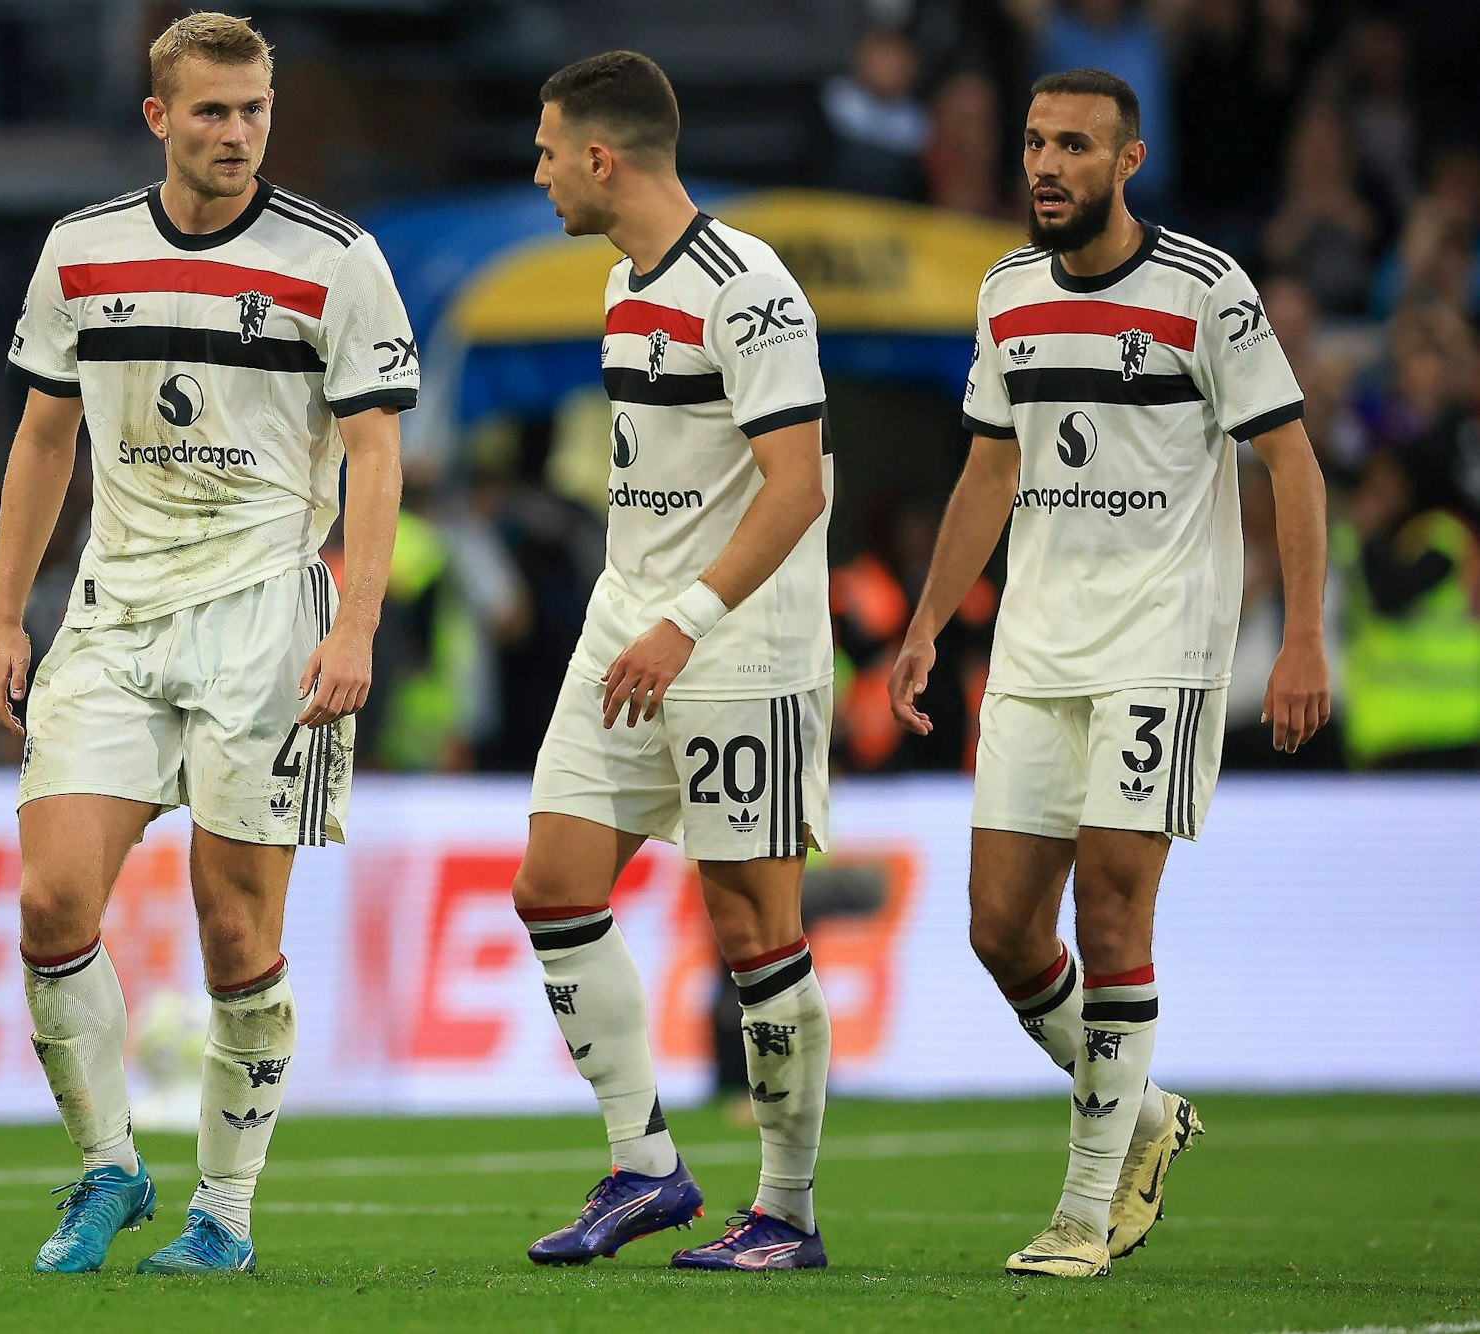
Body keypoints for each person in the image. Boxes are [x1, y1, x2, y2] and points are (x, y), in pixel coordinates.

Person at [0, 11, 416, 1276]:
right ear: (159, 117)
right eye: (213, 110)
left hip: (264, 627)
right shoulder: (82, 251)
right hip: (113, 615)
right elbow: (42, 436)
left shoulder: (338, 260)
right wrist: (8, 609)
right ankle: (109, 1165)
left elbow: (379, 453)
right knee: (50, 898)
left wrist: (357, 618)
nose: (238, 132)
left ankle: (222, 1211)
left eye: (256, 109)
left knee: (236, 934)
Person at [889, 68, 1331, 1278]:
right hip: (1035, 646)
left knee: (1114, 906)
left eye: (1074, 146)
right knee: (998, 929)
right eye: (1034, 141)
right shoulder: (1005, 293)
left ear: (1128, 163)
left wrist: (1300, 635)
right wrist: (929, 622)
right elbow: (991, 470)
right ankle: (1142, 1109)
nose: (1045, 163)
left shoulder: (1204, 290)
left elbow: (1290, 462)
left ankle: (1086, 1211)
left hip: (1162, 646)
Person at [519, 51, 835, 1272]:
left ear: (603, 156)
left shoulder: (748, 287)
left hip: (735, 640)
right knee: (552, 882)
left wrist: (686, 617)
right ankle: (645, 1165)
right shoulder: (617, 281)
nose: (539, 170)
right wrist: (645, 614)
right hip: (627, 622)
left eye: (549, 149)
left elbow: (796, 486)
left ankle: (789, 1213)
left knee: (754, 924)